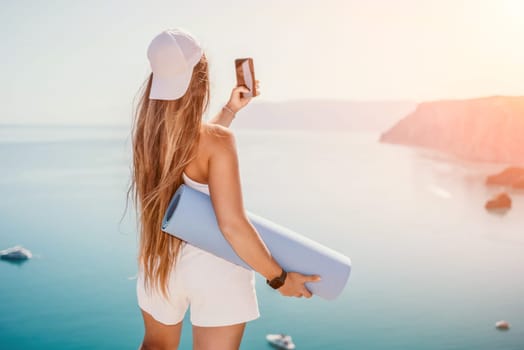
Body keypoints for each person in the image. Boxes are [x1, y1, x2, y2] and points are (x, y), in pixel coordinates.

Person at [128, 28, 321, 350]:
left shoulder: (147, 135)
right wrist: (279, 279)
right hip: (215, 269)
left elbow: (189, 153)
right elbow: (231, 224)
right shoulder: (218, 142)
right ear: (200, 77)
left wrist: (229, 111)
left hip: (158, 263)